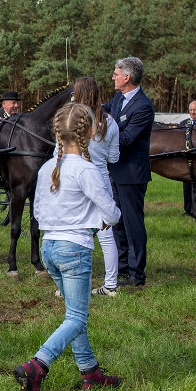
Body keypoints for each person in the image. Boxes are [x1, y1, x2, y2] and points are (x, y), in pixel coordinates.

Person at [14, 102, 122, 391]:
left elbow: (37, 212)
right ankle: (36, 366)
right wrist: (103, 218)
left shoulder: (47, 167)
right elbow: (111, 212)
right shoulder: (87, 169)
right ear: (90, 132)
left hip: (49, 248)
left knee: (74, 314)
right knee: (76, 316)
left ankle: (90, 372)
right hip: (74, 250)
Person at [103, 56, 154, 287]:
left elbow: (126, 139)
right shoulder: (118, 98)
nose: (112, 77)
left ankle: (137, 274)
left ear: (127, 77)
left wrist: (97, 136)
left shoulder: (143, 106)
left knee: (133, 225)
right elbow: (102, 110)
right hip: (115, 171)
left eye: (116, 74)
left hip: (132, 175)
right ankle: (122, 268)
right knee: (118, 223)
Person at [74, 77, 120, 296]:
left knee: (75, 235)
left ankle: (72, 284)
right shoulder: (110, 122)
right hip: (101, 180)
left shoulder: (70, 119)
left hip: (76, 181)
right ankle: (110, 284)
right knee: (106, 236)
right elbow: (114, 157)